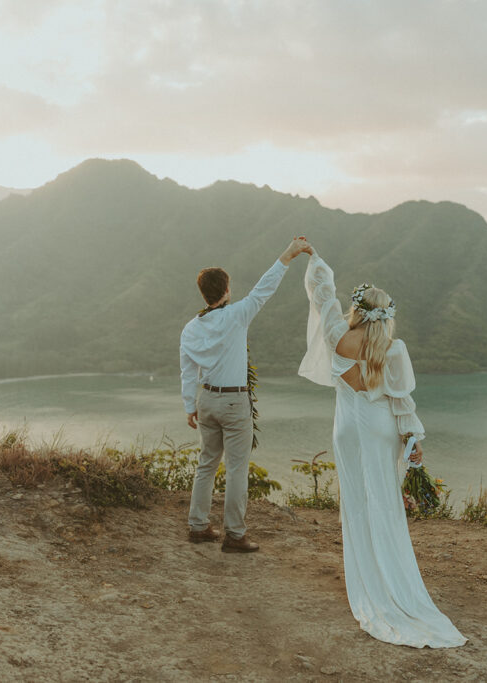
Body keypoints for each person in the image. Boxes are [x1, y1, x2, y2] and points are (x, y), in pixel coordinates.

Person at [298, 247, 467, 648]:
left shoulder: (337, 335)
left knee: (355, 503)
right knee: (385, 504)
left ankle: (365, 580)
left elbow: (322, 295)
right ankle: (393, 582)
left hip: (346, 431)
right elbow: (400, 400)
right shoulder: (393, 349)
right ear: (387, 316)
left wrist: (315, 260)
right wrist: (414, 440)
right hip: (379, 430)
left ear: (357, 309)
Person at [180, 237, 312, 553]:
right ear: (226, 291)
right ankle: (235, 535)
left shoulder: (190, 329)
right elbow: (263, 289)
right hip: (234, 401)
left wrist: (189, 406)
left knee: (206, 465)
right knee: (237, 469)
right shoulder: (237, 314)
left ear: (203, 293)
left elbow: (188, 372)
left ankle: (198, 526)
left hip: (206, 400)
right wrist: (288, 255)